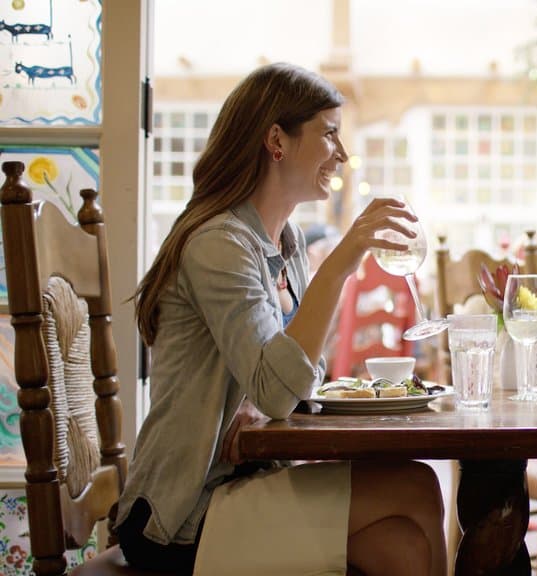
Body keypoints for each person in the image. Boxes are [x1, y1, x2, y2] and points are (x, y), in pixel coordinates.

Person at [117, 63, 446, 576]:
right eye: (329, 133)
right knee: (417, 486)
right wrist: (342, 260)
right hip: (183, 512)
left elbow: (290, 381)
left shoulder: (284, 242)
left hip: (245, 478)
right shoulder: (219, 244)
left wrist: (254, 399)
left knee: (401, 546)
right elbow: (278, 388)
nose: (340, 152)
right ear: (277, 140)